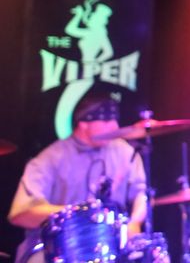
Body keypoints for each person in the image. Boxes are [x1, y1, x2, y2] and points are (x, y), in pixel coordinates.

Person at [8, 94, 147, 263]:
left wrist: (135, 222)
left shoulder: (125, 152)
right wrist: (81, 215)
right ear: (83, 123)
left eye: (115, 120)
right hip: (57, 248)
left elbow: (141, 194)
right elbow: (21, 213)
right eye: (106, 121)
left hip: (110, 246)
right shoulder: (50, 159)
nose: (115, 126)